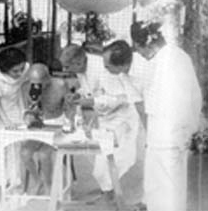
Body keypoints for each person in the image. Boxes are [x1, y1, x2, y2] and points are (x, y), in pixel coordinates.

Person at [130, 21, 202, 211]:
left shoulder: (170, 59)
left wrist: (185, 133)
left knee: (168, 189)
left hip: (170, 135)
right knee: (158, 187)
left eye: (138, 50)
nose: (141, 55)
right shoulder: (168, 58)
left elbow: (185, 100)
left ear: (144, 44)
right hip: (162, 135)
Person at [59, 42, 142, 203]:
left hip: (121, 119)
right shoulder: (82, 68)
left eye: (68, 67)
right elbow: (90, 89)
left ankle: (110, 198)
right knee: (101, 163)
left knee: (111, 162)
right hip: (105, 119)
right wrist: (78, 96)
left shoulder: (103, 69)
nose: (66, 70)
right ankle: (107, 194)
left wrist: (89, 102)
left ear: (79, 62)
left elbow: (120, 98)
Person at [20, 63, 78, 195]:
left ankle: (48, 185)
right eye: (34, 83)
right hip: (40, 124)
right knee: (25, 153)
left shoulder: (60, 85)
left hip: (57, 123)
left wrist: (70, 123)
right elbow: (28, 110)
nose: (37, 87)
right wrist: (29, 115)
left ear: (48, 79)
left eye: (40, 83)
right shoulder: (27, 87)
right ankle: (37, 181)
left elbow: (70, 107)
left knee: (43, 155)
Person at [0, 47, 29, 188]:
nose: (20, 73)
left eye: (21, 69)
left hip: (14, 106)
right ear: (4, 69)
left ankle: (15, 179)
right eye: (15, 71)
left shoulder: (25, 68)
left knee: (16, 146)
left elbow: (25, 86)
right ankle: (1, 181)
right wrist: (7, 122)